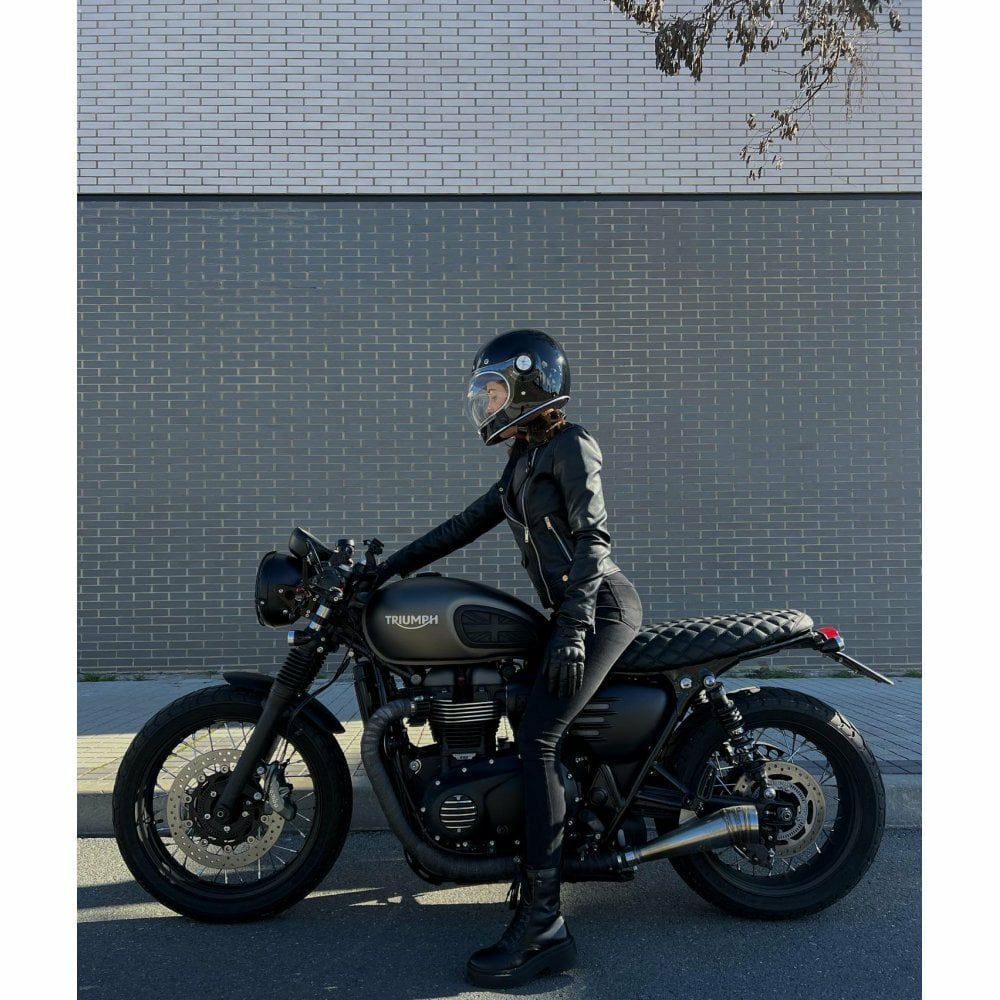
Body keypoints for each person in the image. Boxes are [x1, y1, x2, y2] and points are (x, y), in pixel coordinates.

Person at [373, 329, 643, 988]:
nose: (487, 403)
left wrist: (573, 628)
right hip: (572, 611)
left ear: (527, 386)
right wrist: (386, 569)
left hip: (601, 610)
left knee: (538, 738)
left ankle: (545, 927)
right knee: (523, 714)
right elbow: (464, 524)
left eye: (493, 391)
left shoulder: (571, 445)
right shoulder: (524, 459)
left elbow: (594, 539)